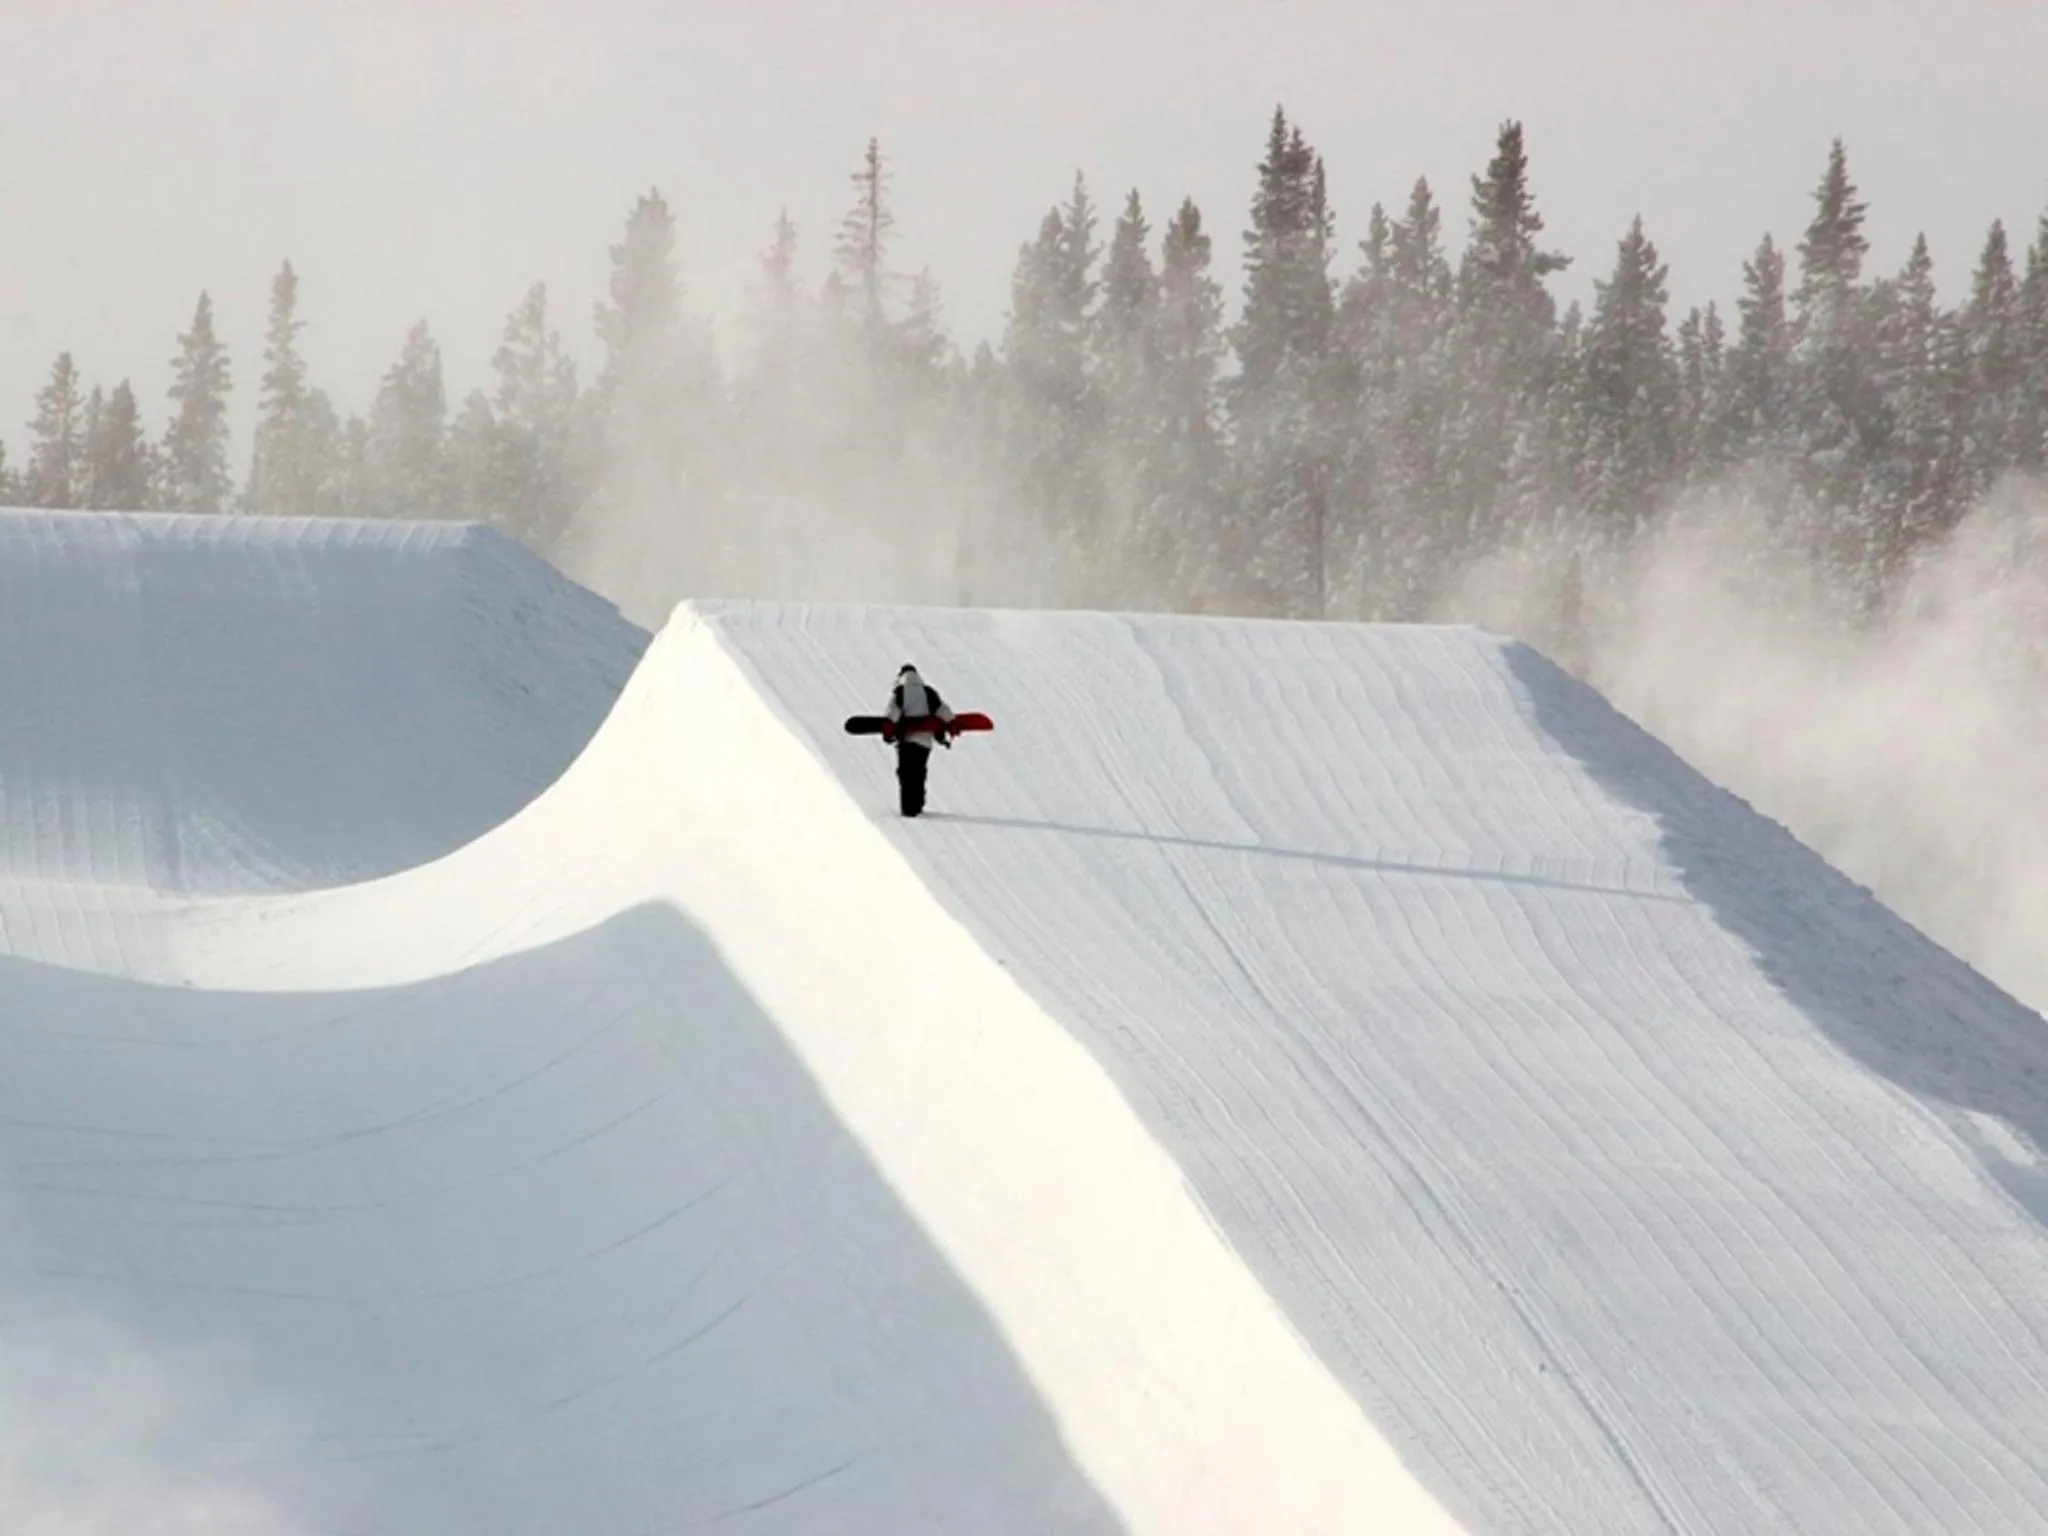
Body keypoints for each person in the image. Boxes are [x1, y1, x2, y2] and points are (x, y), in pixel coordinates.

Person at [885, 663, 955, 817]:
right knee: (919, 773)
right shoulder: (929, 692)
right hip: (924, 743)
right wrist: (947, 730)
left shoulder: (900, 692)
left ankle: (908, 809)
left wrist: (888, 734)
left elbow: (892, 716)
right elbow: (944, 712)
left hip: (906, 742)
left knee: (905, 774)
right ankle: (918, 805)